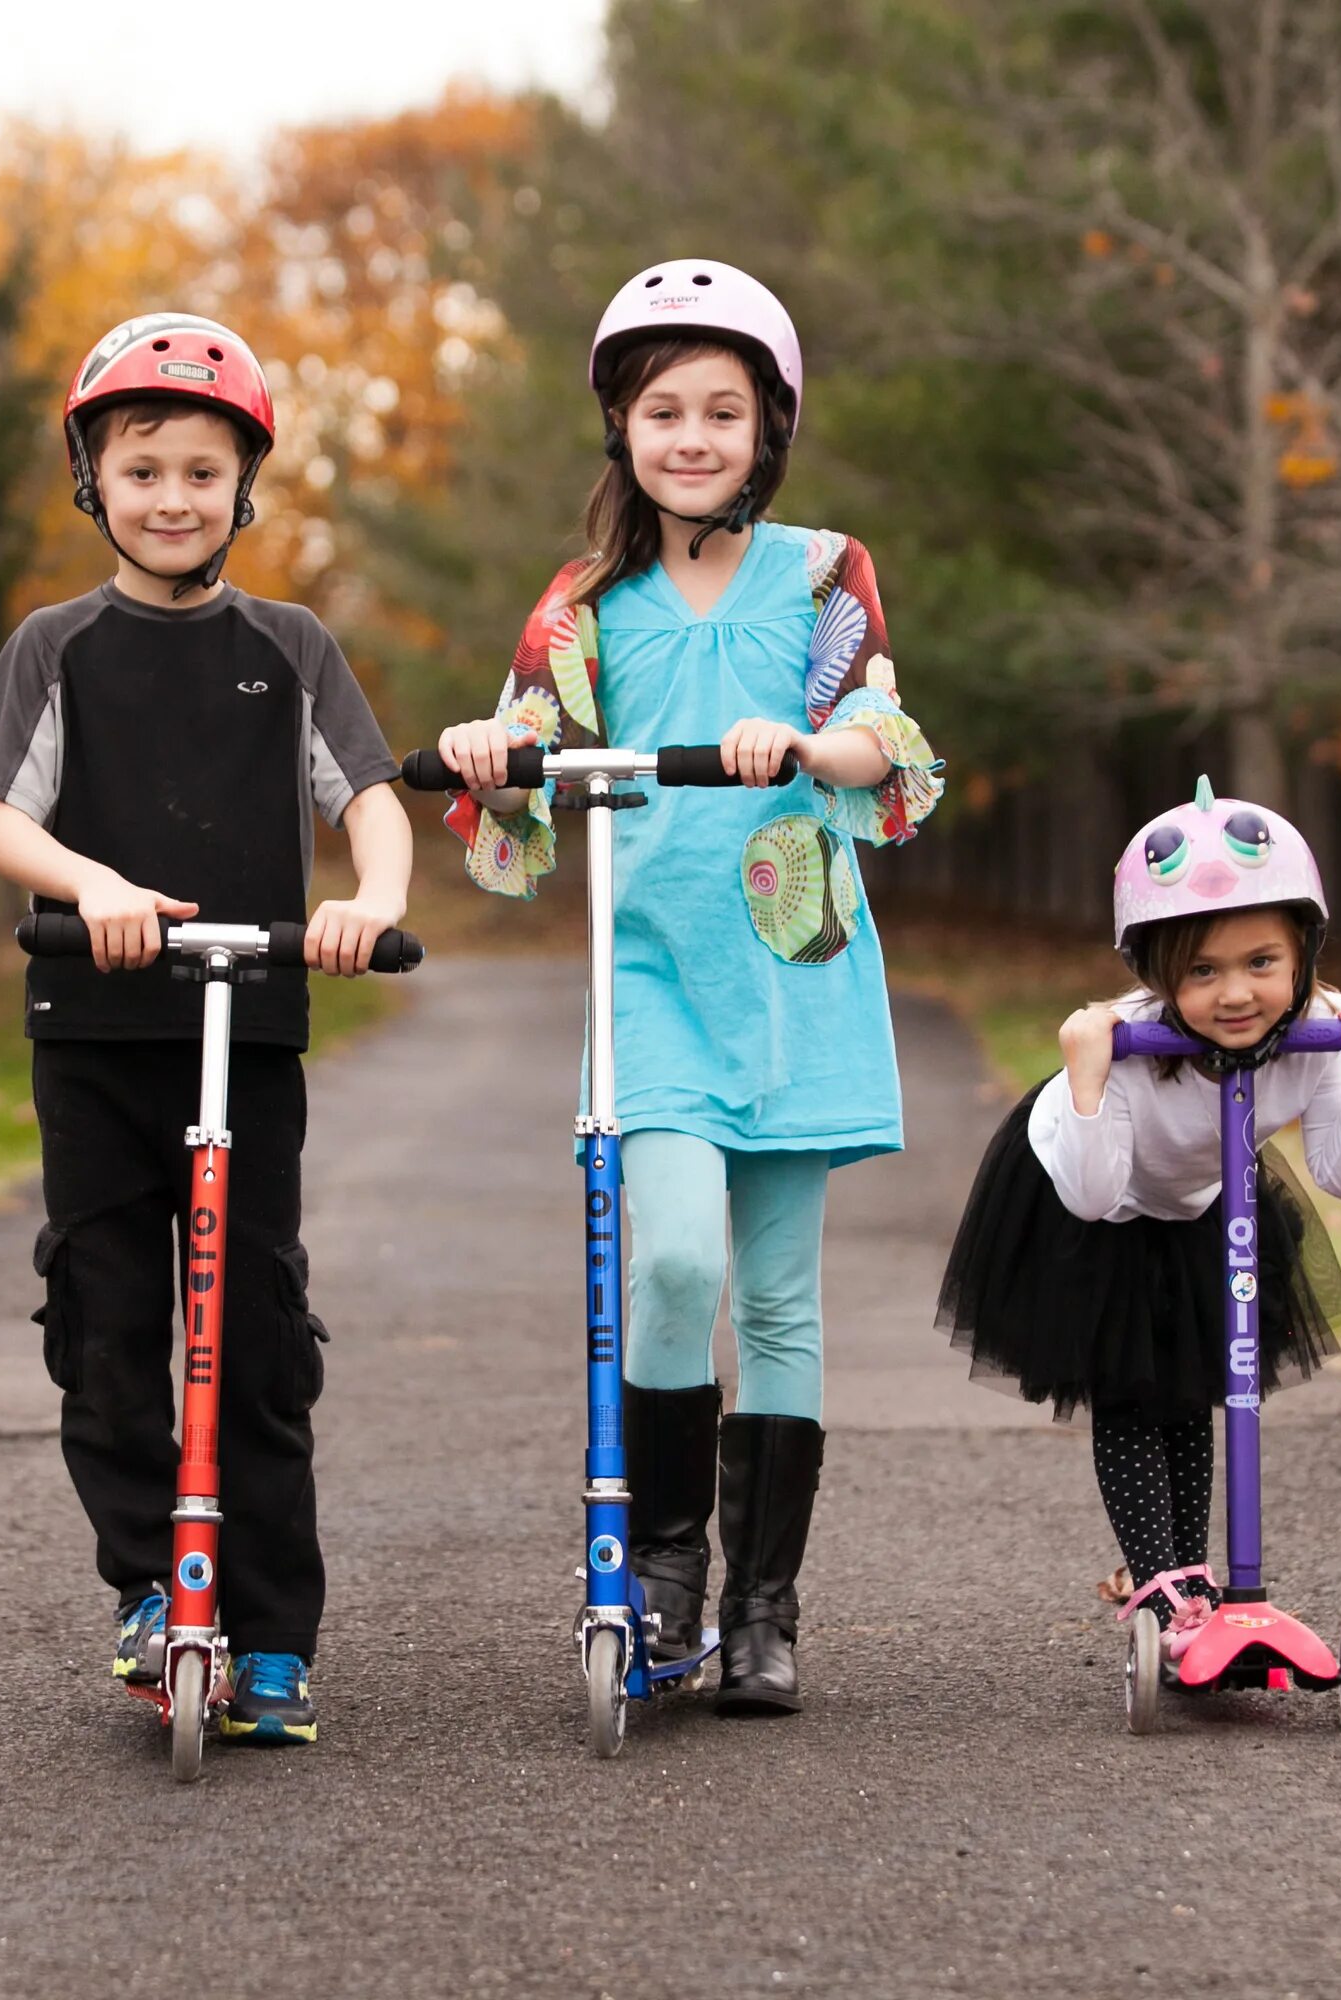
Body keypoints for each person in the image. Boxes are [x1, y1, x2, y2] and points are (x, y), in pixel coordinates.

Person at [435, 260, 942, 1715]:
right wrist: (490, 746)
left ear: (767, 430)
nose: (695, 436)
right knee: (670, 1261)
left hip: (794, 969)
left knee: (778, 1293)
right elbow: (530, 757)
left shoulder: (823, 569)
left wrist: (801, 740)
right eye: (668, 409)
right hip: (650, 971)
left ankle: (765, 1604)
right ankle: (664, 1569)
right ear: (623, 425)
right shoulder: (588, 600)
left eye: (724, 410)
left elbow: (883, 736)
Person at [0, 313, 409, 1746]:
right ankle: (153, 1584)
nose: (171, 497)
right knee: (109, 1325)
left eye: (201, 472)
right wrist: (92, 885)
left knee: (255, 1333)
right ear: (95, 479)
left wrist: (367, 899)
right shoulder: (57, 647)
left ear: (242, 488)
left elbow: (372, 801)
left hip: (246, 1026)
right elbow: (3, 822)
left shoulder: (293, 646)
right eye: (142, 468)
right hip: (94, 1024)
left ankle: (271, 1633)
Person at [934, 778, 1341, 1653]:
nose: (1235, 994)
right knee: (1131, 1390)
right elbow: (1095, 1193)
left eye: (1262, 963)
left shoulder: (1322, 1036)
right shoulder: (1129, 1050)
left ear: (1302, 952)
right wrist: (1089, 1070)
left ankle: (1202, 1587)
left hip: (1202, 1201)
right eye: (1201, 971)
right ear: (1155, 973)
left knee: (1198, 1387)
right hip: (1087, 1187)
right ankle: (1160, 1587)